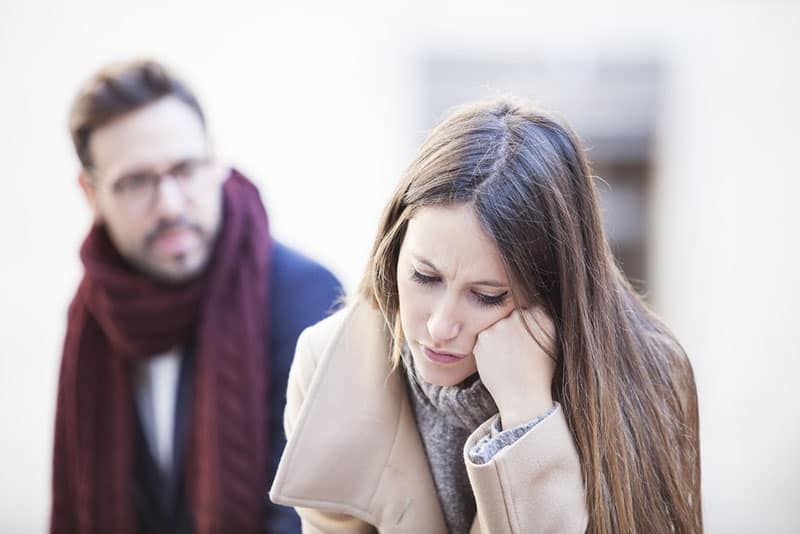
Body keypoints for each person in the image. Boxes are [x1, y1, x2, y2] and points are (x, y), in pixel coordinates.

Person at [269, 99, 702, 533]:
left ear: (552, 292)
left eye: (487, 296)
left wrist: (528, 418)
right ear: (395, 247)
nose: (439, 327)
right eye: (424, 275)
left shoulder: (646, 377)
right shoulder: (331, 365)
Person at [50, 59, 341, 534]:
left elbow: (311, 517)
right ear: (90, 192)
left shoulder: (305, 296)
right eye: (135, 181)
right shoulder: (93, 313)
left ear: (215, 162)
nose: (169, 203)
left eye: (185, 169)